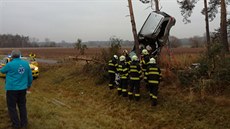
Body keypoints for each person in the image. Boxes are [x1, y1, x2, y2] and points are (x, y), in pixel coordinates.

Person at [0, 49, 33, 128]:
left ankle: (16, 124)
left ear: (12, 56)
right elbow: (30, 77)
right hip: (22, 90)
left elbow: (2, 71)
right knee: (22, 106)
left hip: (11, 90)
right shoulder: (26, 64)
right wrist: (28, 85)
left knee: (12, 107)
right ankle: (24, 124)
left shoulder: (10, 64)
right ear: (20, 56)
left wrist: (1, 66)